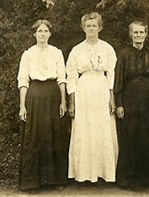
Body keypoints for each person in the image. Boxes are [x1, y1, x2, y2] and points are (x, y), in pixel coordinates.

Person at [114, 20, 149, 189]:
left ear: (146, 34)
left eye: (141, 32)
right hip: (131, 99)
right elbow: (118, 81)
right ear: (130, 34)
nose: (138, 35)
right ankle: (131, 180)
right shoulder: (123, 54)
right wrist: (119, 104)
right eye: (135, 32)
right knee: (132, 135)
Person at [66, 12, 118, 183]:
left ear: (100, 27)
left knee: (102, 130)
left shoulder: (107, 48)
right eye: (88, 26)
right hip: (84, 91)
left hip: (102, 89)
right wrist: (72, 102)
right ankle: (84, 174)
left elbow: (111, 74)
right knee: (84, 131)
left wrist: (112, 98)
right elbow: (71, 77)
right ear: (83, 28)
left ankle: (103, 173)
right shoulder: (76, 50)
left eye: (94, 26)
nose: (91, 29)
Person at [17, 19, 68, 190]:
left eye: (46, 31)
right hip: (35, 96)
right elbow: (23, 81)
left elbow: (62, 78)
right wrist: (22, 106)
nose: (43, 34)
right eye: (39, 31)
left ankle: (55, 181)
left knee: (54, 136)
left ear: (50, 34)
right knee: (35, 136)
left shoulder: (56, 52)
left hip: (53, 95)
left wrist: (63, 101)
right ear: (34, 34)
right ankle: (32, 182)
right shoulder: (28, 54)